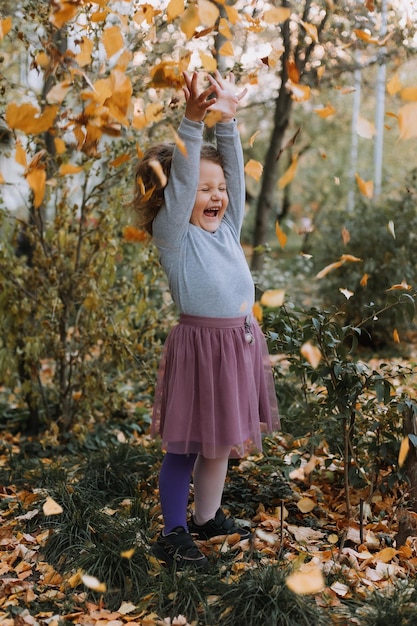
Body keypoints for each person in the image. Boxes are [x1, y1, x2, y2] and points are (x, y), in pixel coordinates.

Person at [131, 70, 279, 570]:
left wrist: (228, 125)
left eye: (219, 189)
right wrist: (193, 121)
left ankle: (206, 516)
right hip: (199, 348)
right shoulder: (175, 237)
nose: (216, 196)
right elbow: (186, 185)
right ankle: (173, 532)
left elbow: (234, 177)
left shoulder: (227, 228)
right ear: (176, 197)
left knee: (221, 442)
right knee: (186, 445)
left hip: (239, 344)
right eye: (202, 188)